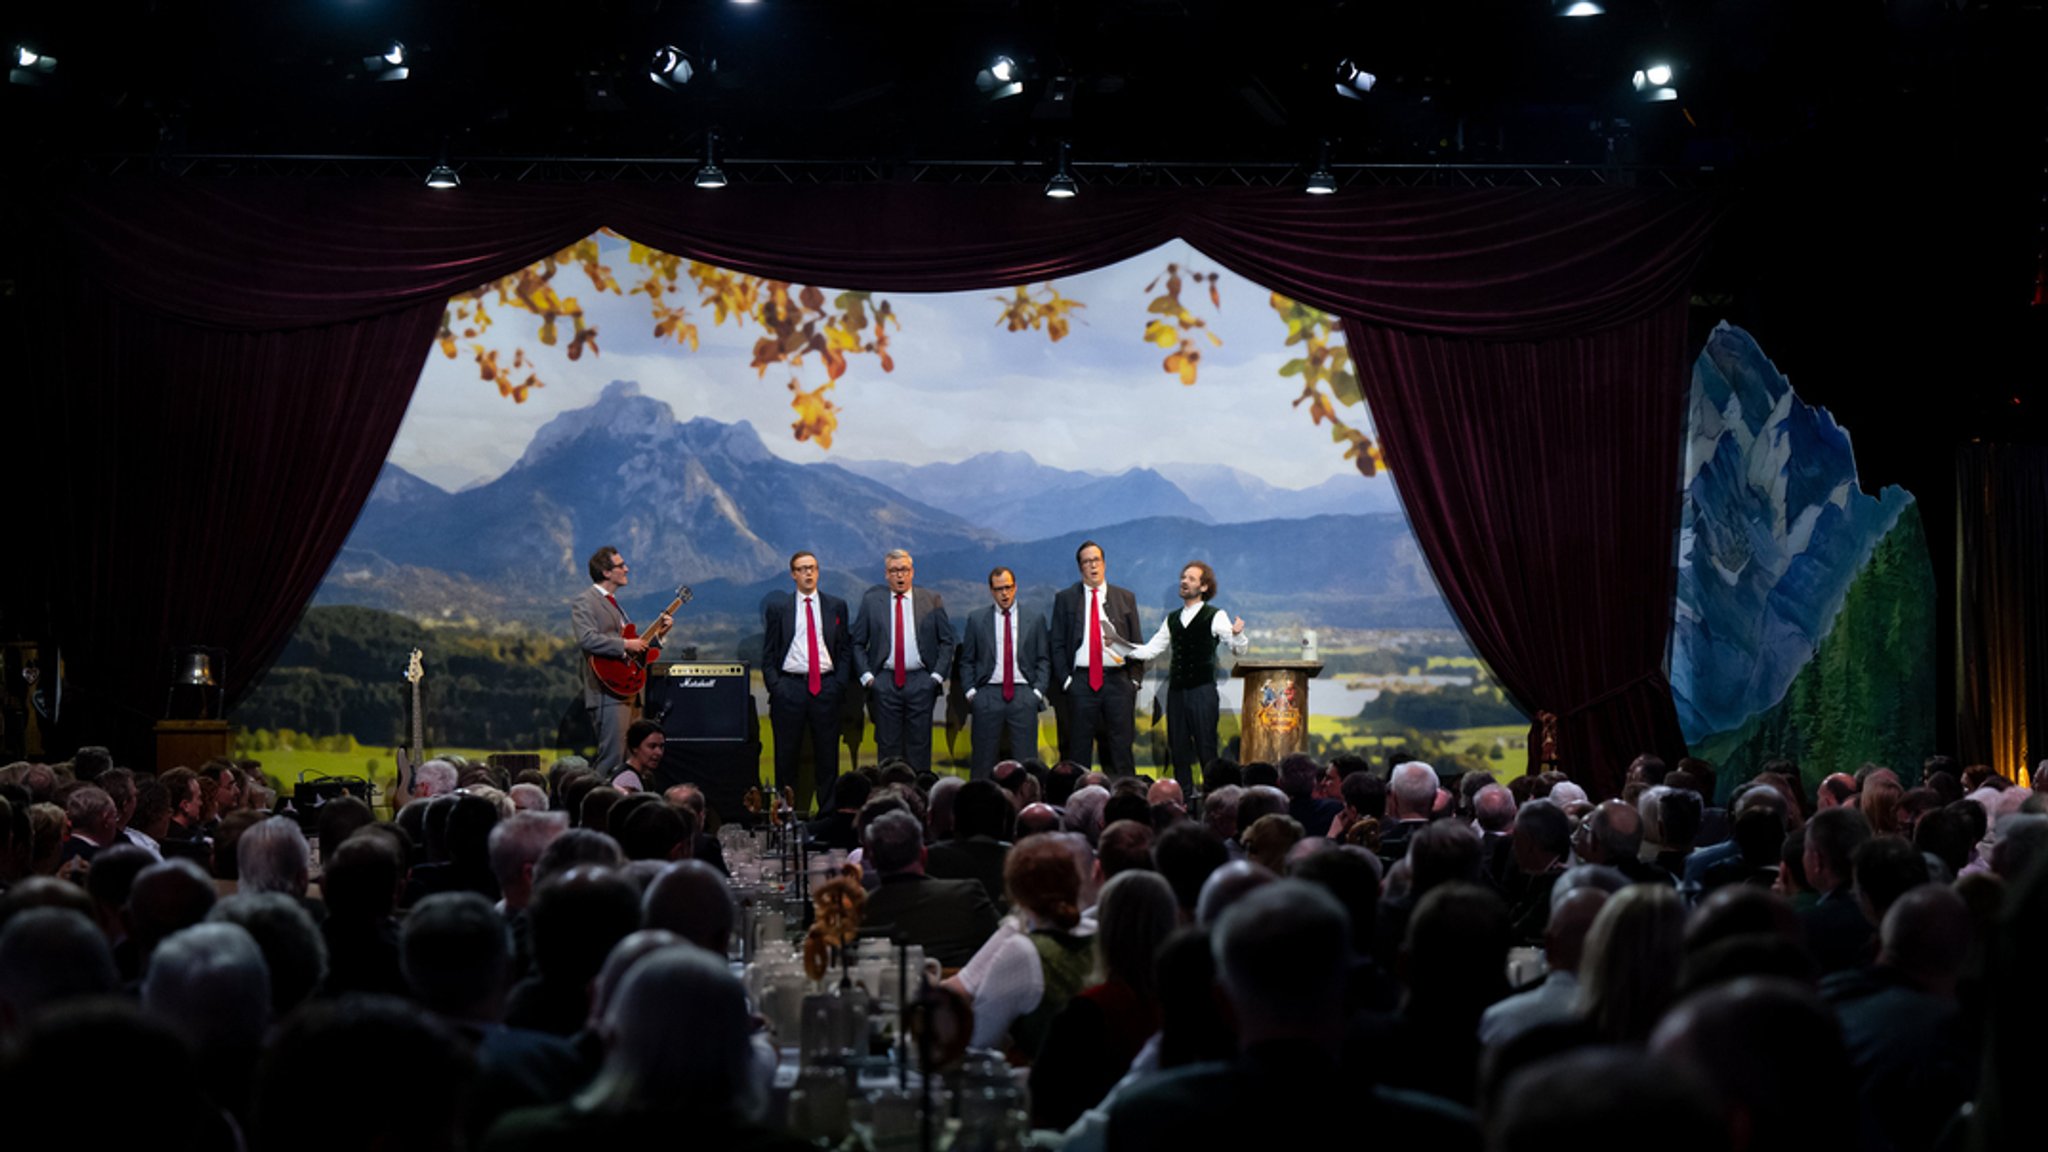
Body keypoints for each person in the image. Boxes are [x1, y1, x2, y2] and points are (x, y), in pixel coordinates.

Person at [1123, 561, 1247, 792]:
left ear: (1203, 586)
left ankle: (1213, 801)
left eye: (1191, 578)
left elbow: (1238, 649)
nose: (1184, 581)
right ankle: (1182, 802)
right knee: (1178, 750)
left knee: (1206, 749)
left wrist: (1238, 635)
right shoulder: (1172, 618)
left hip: (1202, 691)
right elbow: (1150, 650)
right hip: (1177, 693)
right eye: (1183, 577)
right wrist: (1119, 647)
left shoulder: (1215, 615)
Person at [761, 550, 855, 812]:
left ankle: (827, 816)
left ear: (818, 571)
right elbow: (768, 653)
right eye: (802, 569)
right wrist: (777, 687)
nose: (808, 573)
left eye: (812, 567)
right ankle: (784, 816)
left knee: (827, 758)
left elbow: (845, 648)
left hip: (826, 688)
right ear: (793, 575)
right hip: (789, 689)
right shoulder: (779, 608)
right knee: (785, 758)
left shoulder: (836, 605)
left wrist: (838, 684)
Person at [851, 549, 955, 774]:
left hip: (921, 680)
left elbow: (947, 642)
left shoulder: (931, 600)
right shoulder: (872, 602)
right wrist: (869, 679)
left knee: (920, 745)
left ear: (912, 573)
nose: (900, 575)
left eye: (904, 570)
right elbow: (857, 643)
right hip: (885, 681)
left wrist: (935, 677)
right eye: (894, 571)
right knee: (888, 747)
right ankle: (889, 797)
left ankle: (919, 801)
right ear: (886, 574)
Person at [572, 546, 670, 777]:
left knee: (631, 761)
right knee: (612, 758)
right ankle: (597, 804)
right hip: (608, 692)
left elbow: (634, 651)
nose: (626, 569)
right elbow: (587, 638)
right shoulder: (585, 601)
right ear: (606, 572)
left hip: (629, 691)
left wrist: (660, 635)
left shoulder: (615, 605)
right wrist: (626, 644)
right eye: (620, 565)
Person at [1051, 541, 1144, 776]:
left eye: (1096, 560)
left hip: (1118, 682)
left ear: (1104, 564)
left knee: (1120, 750)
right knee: (1078, 750)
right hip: (1081, 682)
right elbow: (1057, 643)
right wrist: (1066, 681)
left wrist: (1134, 680)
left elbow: (1136, 642)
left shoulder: (1125, 598)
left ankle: (1125, 801)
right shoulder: (1066, 599)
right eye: (1086, 561)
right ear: (1080, 567)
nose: (1092, 565)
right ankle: (1077, 805)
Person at [959, 566, 1052, 780]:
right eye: (999, 589)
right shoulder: (977, 619)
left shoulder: (1034, 618)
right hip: (987, 695)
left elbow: (1043, 659)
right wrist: (972, 693)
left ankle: (1027, 806)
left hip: (1023, 695)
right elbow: (967, 660)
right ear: (991, 590)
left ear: (1015, 587)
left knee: (1026, 762)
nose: (1005, 593)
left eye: (1008, 587)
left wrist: (1036, 693)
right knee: (983, 760)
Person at [611, 720, 664, 793]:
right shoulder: (628, 780)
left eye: (661, 746)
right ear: (635, 747)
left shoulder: (646, 776)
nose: (659, 752)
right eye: (652, 746)